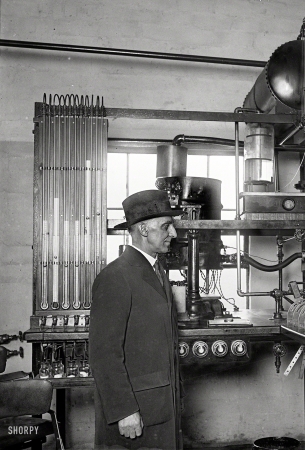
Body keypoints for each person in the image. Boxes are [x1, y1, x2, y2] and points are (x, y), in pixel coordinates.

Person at [90, 189, 182, 449]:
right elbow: (103, 354)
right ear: (143, 229)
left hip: (161, 405)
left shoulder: (157, 271)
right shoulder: (116, 276)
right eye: (166, 226)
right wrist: (123, 411)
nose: (173, 234)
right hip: (134, 413)